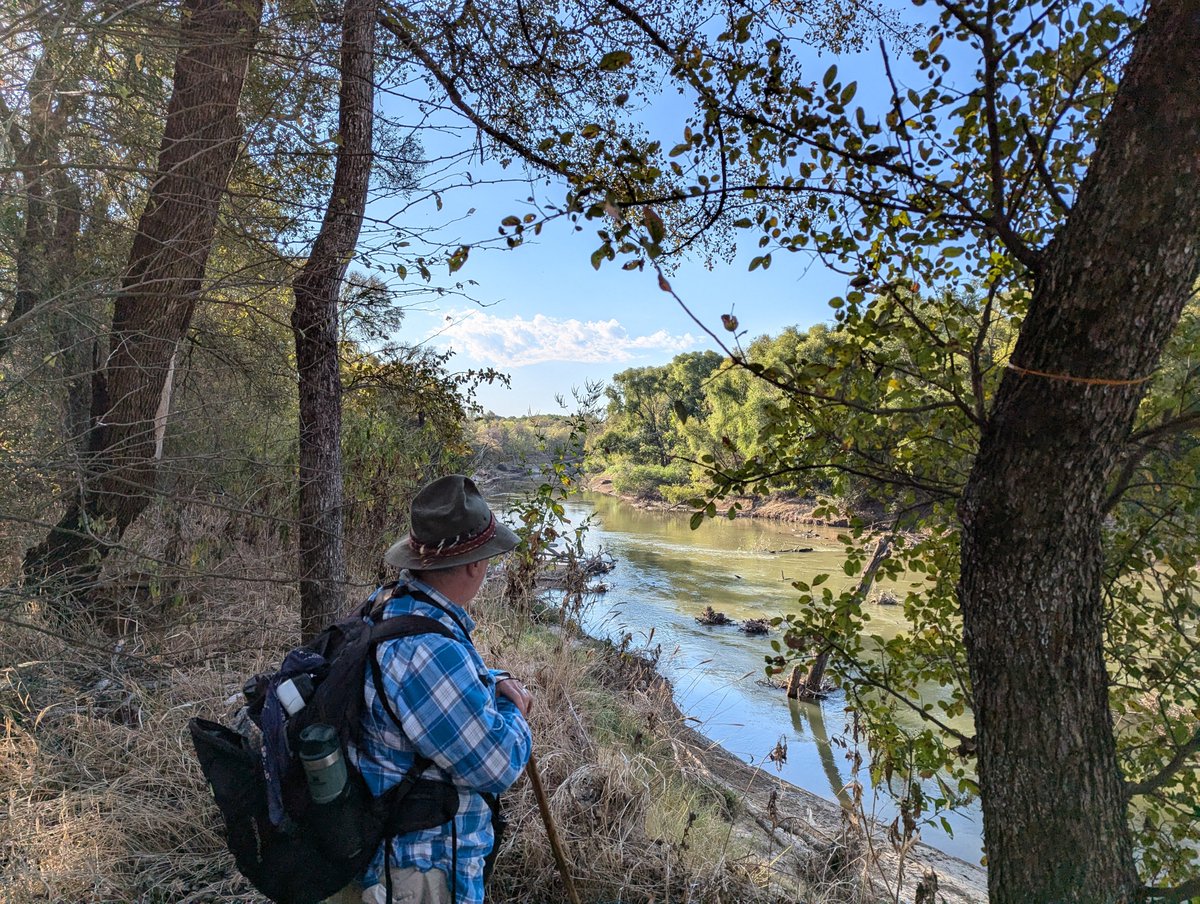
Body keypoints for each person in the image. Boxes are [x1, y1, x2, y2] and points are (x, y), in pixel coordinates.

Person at [335, 474, 533, 904]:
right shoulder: (428, 649)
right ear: (474, 564)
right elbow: (497, 765)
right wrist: (517, 712)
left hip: (383, 855)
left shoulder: (391, 603)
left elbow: (427, 691)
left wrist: (492, 679)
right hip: (417, 872)